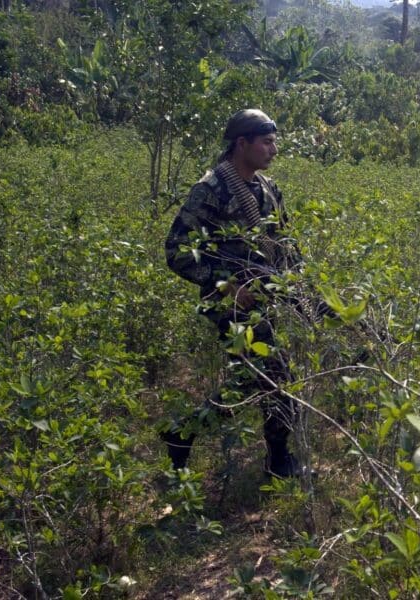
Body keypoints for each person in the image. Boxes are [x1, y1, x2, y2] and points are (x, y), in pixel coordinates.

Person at [162, 108, 309, 479]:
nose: (273, 150)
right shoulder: (210, 190)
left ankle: (183, 433)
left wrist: (303, 290)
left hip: (265, 297)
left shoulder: (267, 189)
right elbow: (177, 251)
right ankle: (280, 462)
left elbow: (285, 243)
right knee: (275, 375)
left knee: (249, 380)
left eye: (275, 142)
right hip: (230, 304)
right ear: (241, 144)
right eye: (267, 142)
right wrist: (226, 283)